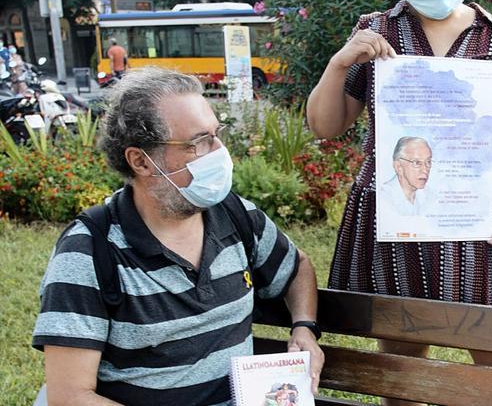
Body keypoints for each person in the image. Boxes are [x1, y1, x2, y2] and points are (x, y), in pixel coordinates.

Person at [306, 0, 492, 401]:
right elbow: (325, 125)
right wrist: (340, 63)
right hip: (397, 220)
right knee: (401, 374)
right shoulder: (375, 32)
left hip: (476, 221)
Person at [32, 67, 324, 405]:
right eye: (197, 142)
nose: (218, 151)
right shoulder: (88, 252)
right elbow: (69, 397)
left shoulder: (235, 215)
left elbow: (296, 267)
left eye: (217, 134)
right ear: (141, 161)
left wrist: (304, 327)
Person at [380, 137, 435, 216]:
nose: (425, 170)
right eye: (417, 162)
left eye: (428, 162)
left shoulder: (430, 196)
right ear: (398, 167)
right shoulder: (383, 197)